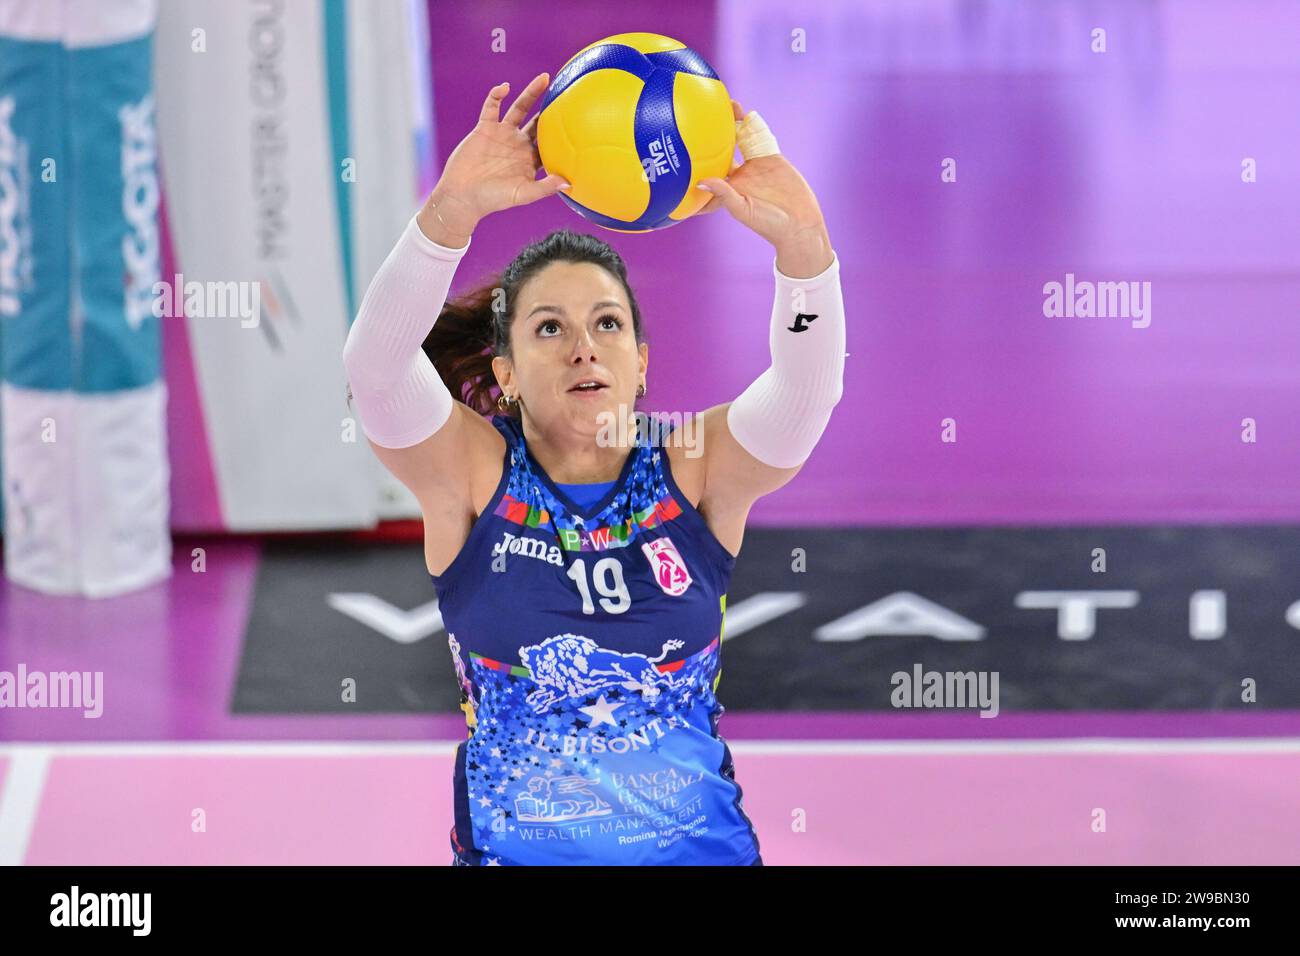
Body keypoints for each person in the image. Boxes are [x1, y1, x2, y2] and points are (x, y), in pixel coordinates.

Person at [342, 72, 845, 865]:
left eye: (606, 323)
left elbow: (805, 398)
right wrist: (447, 218)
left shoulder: (691, 466)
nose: (583, 346)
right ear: (504, 372)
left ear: (639, 363)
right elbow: (375, 374)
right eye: (549, 328)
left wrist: (806, 252)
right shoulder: (475, 474)